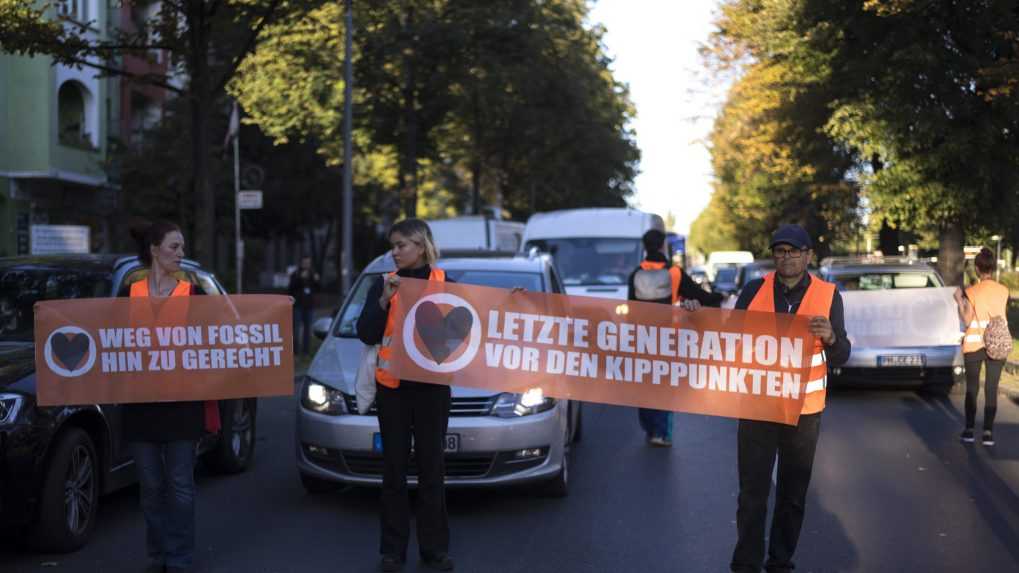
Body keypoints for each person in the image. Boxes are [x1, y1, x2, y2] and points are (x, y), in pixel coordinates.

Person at [729, 224, 851, 573]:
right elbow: (724, 337)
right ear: (773, 256)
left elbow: (842, 355)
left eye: (794, 251)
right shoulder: (754, 290)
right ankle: (746, 563)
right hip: (757, 405)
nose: (786, 258)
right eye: (780, 251)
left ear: (808, 256)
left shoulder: (829, 296)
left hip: (804, 411)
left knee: (792, 495)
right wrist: (692, 315)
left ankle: (780, 561)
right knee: (751, 494)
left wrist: (830, 337)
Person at [356, 219, 455, 572]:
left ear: (421, 245)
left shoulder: (446, 284)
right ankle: (392, 551)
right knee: (393, 472)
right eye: (392, 246)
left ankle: (435, 550)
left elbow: (477, 323)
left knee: (432, 471)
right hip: (393, 390)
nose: (394, 252)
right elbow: (366, 333)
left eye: (401, 245)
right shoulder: (383, 285)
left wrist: (510, 302)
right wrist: (383, 299)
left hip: (431, 393)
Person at [125, 221, 220, 573]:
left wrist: (272, 311)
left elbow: (223, 332)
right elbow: (107, 342)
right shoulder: (129, 293)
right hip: (141, 406)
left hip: (183, 405)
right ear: (154, 250)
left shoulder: (194, 295)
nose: (181, 254)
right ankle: (156, 554)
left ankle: (178, 558)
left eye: (182, 247)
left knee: (180, 486)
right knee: (151, 488)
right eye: (174, 247)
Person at [627, 229, 724, 446]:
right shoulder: (675, 273)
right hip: (668, 338)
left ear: (645, 248)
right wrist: (720, 297)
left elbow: (630, 309)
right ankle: (661, 433)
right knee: (663, 383)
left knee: (644, 383)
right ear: (663, 246)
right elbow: (701, 296)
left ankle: (650, 427)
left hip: (642, 338)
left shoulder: (635, 274)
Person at [953, 247, 1009, 446]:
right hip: (998, 342)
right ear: (992, 268)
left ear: (977, 269)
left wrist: (959, 301)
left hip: (975, 343)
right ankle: (987, 432)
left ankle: (969, 430)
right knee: (991, 388)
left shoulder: (971, 292)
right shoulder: (1004, 290)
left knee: (973, 387)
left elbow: (967, 320)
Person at [288, 255, 320, 355]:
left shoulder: (313, 273)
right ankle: (295, 351)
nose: (306, 265)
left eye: (308, 263)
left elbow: (319, 288)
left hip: (309, 305)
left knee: (307, 329)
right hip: (298, 305)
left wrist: (316, 280)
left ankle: (306, 351)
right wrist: (299, 279)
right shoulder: (296, 274)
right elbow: (290, 289)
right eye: (305, 263)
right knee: (296, 329)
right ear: (301, 263)